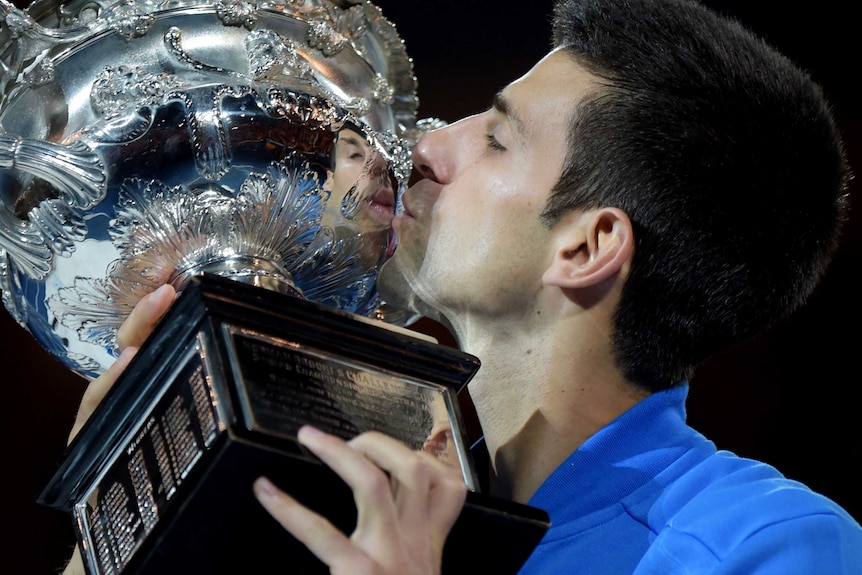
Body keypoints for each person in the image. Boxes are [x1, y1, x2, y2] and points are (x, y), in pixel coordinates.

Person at [61, 0, 862, 573]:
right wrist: (121, 518)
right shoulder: (344, 483)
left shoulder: (765, 543)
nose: (430, 145)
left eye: (499, 138)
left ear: (587, 245)